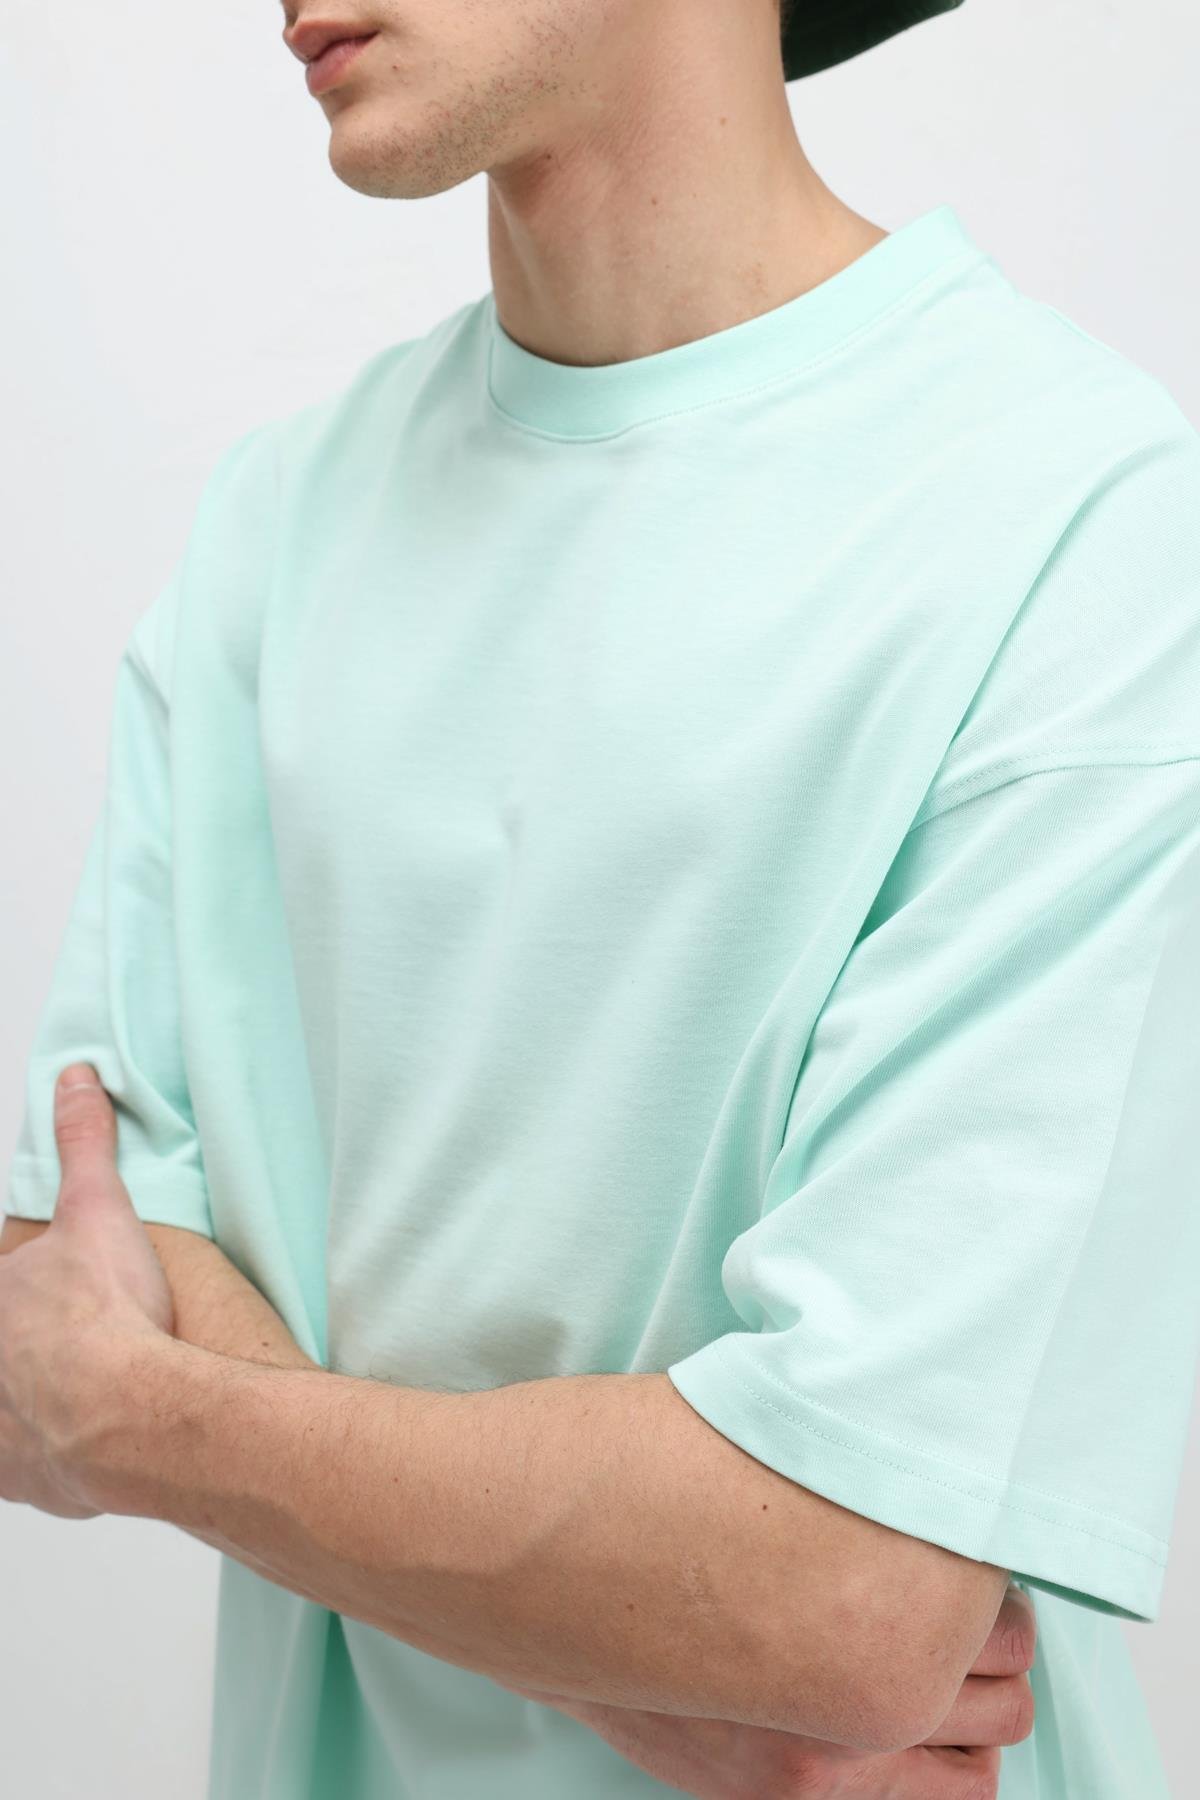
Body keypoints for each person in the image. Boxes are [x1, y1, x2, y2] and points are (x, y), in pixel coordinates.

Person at [3, 1, 1198, 1796]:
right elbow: (58, 1264)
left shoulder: (1074, 522)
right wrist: (642, 1639)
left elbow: (846, 1592)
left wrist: (145, 1417)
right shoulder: (274, 522)